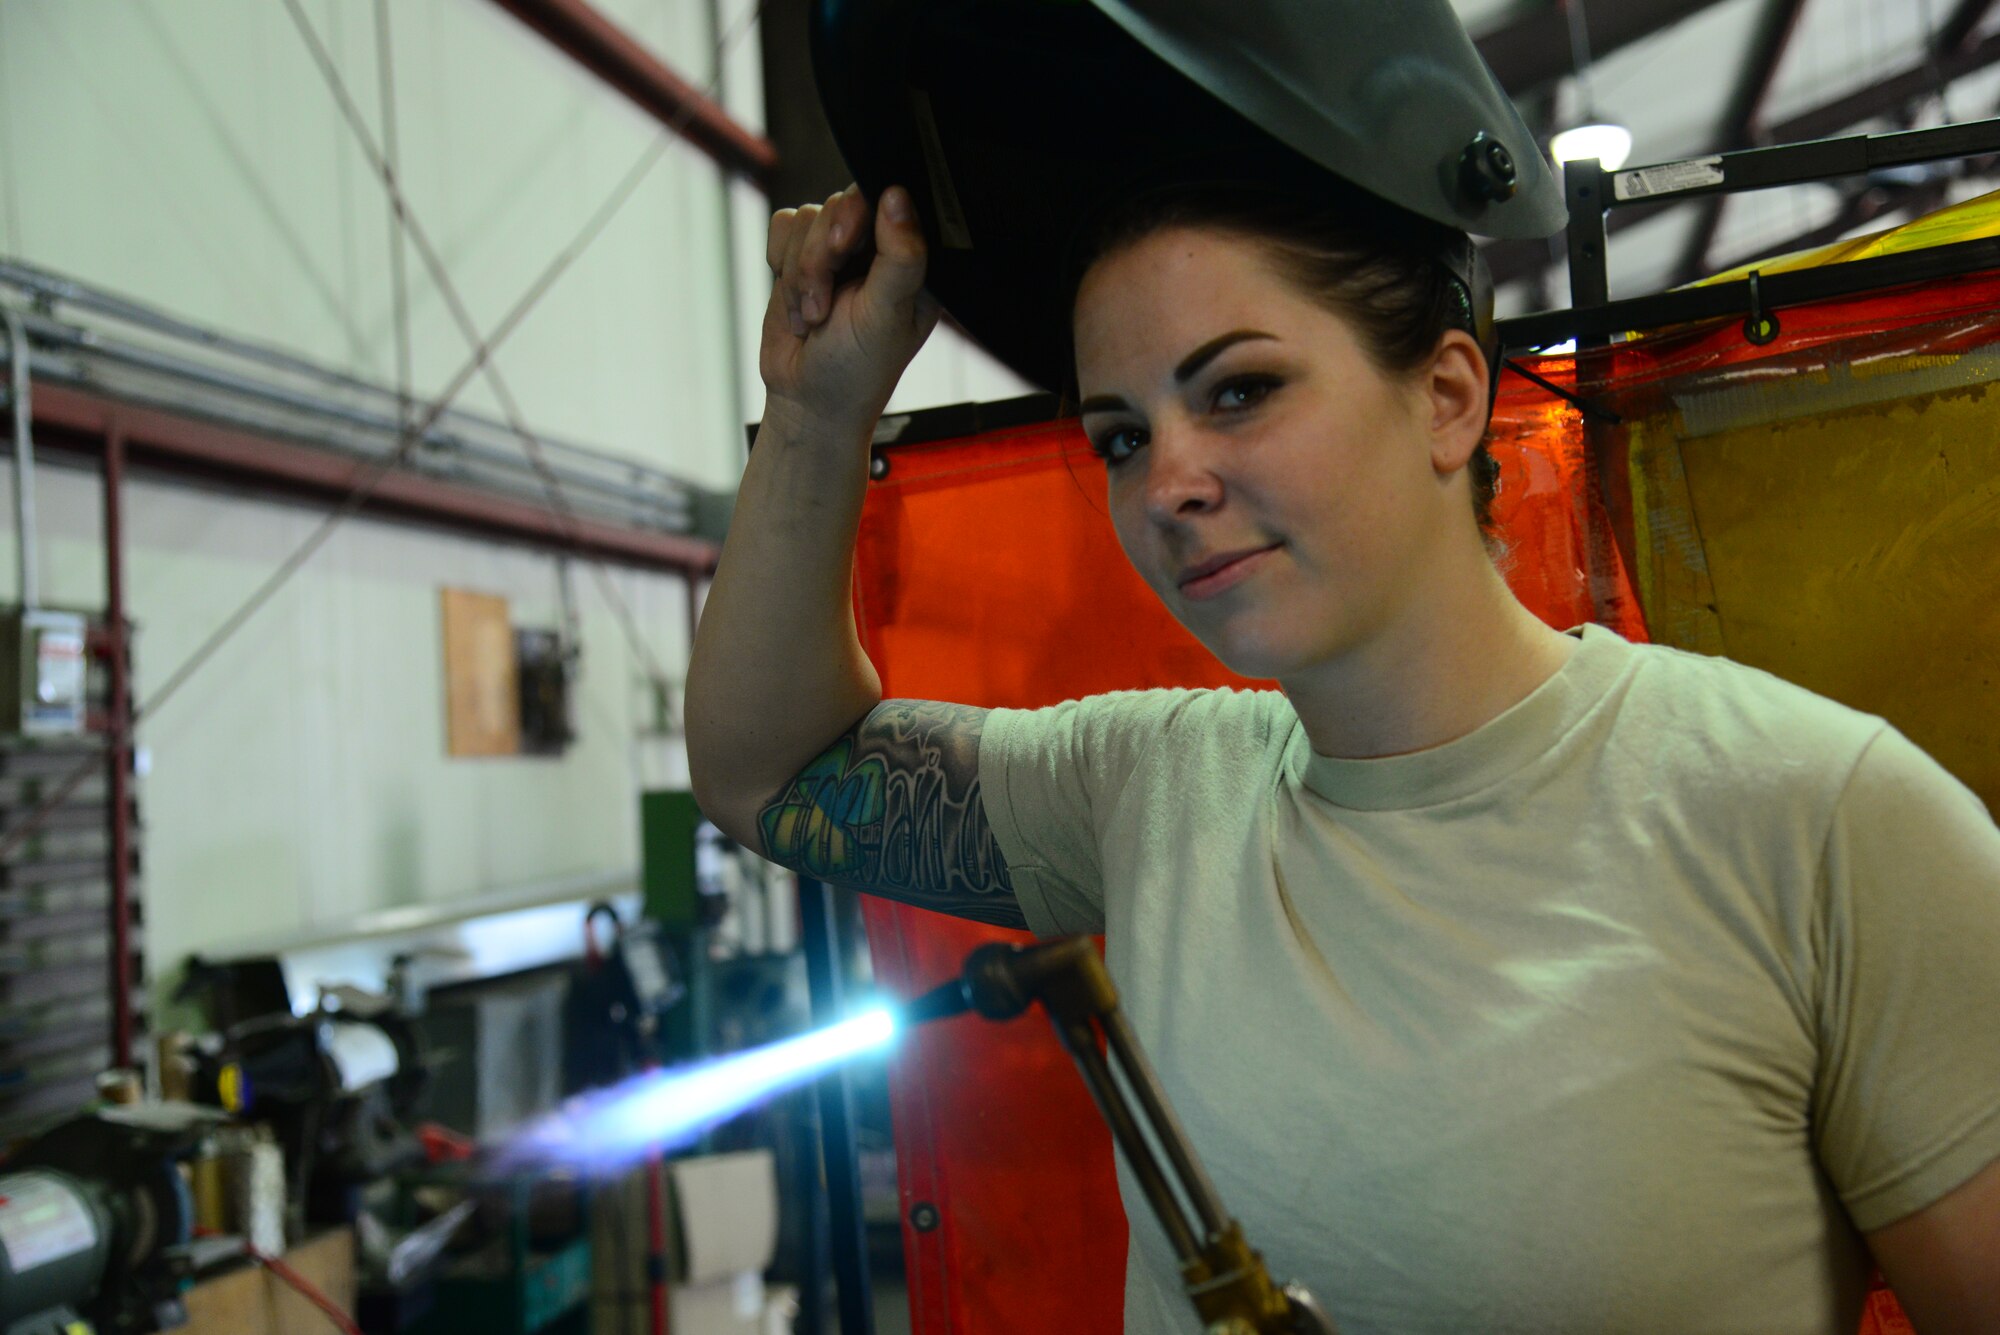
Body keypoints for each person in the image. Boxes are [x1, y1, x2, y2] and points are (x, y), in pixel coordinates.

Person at [686, 4, 2000, 1331]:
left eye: (1241, 390)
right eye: (1122, 436)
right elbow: (774, 774)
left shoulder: (1823, 824)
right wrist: (813, 412)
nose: (1171, 482)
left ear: (1446, 398)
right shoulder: (1149, 796)